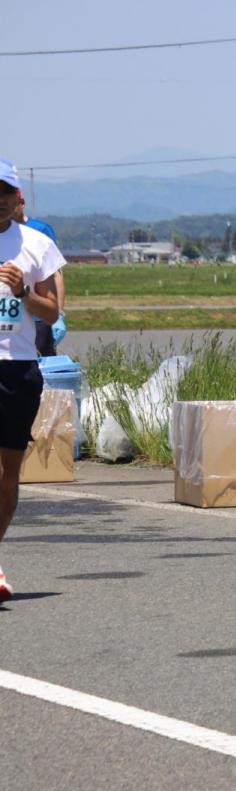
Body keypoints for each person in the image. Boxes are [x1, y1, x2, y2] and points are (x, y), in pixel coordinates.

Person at [0, 158, 65, 602]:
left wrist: (24, 291)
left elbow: (53, 312)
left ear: (17, 197)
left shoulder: (36, 245)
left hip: (17, 368)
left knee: (7, 476)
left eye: (5, 191)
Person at [10, 190, 66, 356]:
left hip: (38, 315)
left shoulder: (40, 231)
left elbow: (56, 274)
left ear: (22, 203)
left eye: (15, 203)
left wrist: (59, 312)